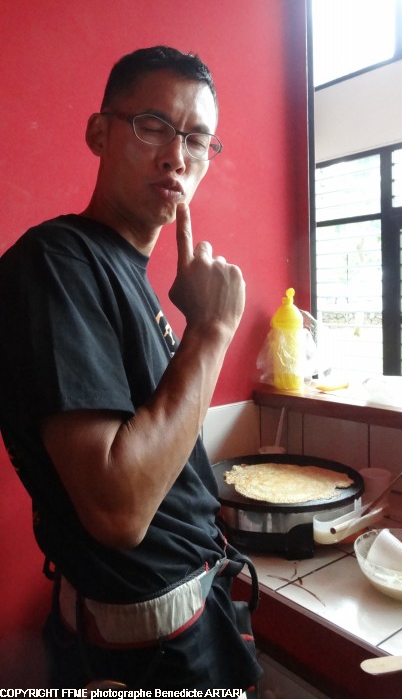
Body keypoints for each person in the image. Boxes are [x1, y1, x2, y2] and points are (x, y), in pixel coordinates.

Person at [0, 46, 262, 692]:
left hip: (190, 608)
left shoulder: (123, 270)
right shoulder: (58, 261)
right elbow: (117, 512)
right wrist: (212, 330)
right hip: (147, 645)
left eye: (196, 139)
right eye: (153, 125)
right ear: (99, 133)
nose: (176, 156)